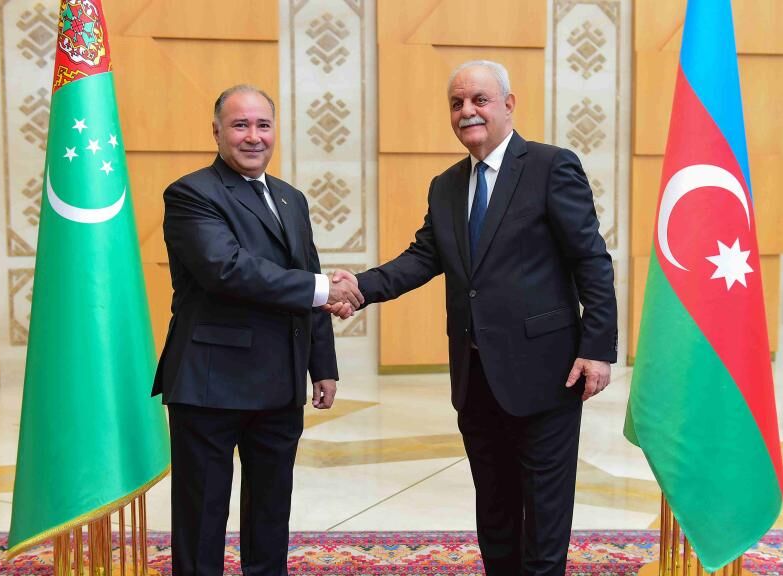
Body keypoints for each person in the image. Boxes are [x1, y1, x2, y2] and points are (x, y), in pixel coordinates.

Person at [329, 60, 617, 576]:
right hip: (475, 375)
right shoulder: (446, 185)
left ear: (509, 104)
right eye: (457, 103)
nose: (468, 111)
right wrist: (360, 288)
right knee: (495, 507)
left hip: (547, 372)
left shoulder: (551, 166)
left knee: (545, 513)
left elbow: (590, 259)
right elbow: (423, 257)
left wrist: (597, 347)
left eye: (480, 100)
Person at [152, 84, 363, 576]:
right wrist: (324, 287)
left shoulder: (291, 199)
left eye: (263, 125)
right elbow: (227, 270)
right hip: (210, 383)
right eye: (240, 125)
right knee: (202, 515)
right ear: (217, 132)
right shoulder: (191, 194)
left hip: (279, 383)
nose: (253, 137)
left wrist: (322, 365)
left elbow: (307, 275)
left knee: (271, 510)